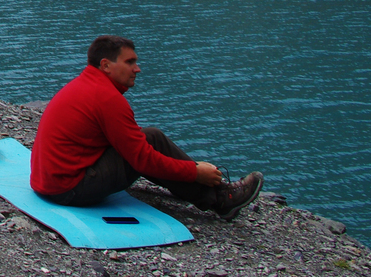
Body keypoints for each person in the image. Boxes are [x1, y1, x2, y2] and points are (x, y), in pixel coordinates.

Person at [31, 35, 263, 220]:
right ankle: (220, 199)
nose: (137, 68)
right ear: (106, 65)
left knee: (149, 136)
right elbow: (143, 160)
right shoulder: (107, 98)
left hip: (48, 183)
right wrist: (195, 171)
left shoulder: (86, 84)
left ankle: (211, 193)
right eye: (130, 62)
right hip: (67, 190)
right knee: (151, 142)